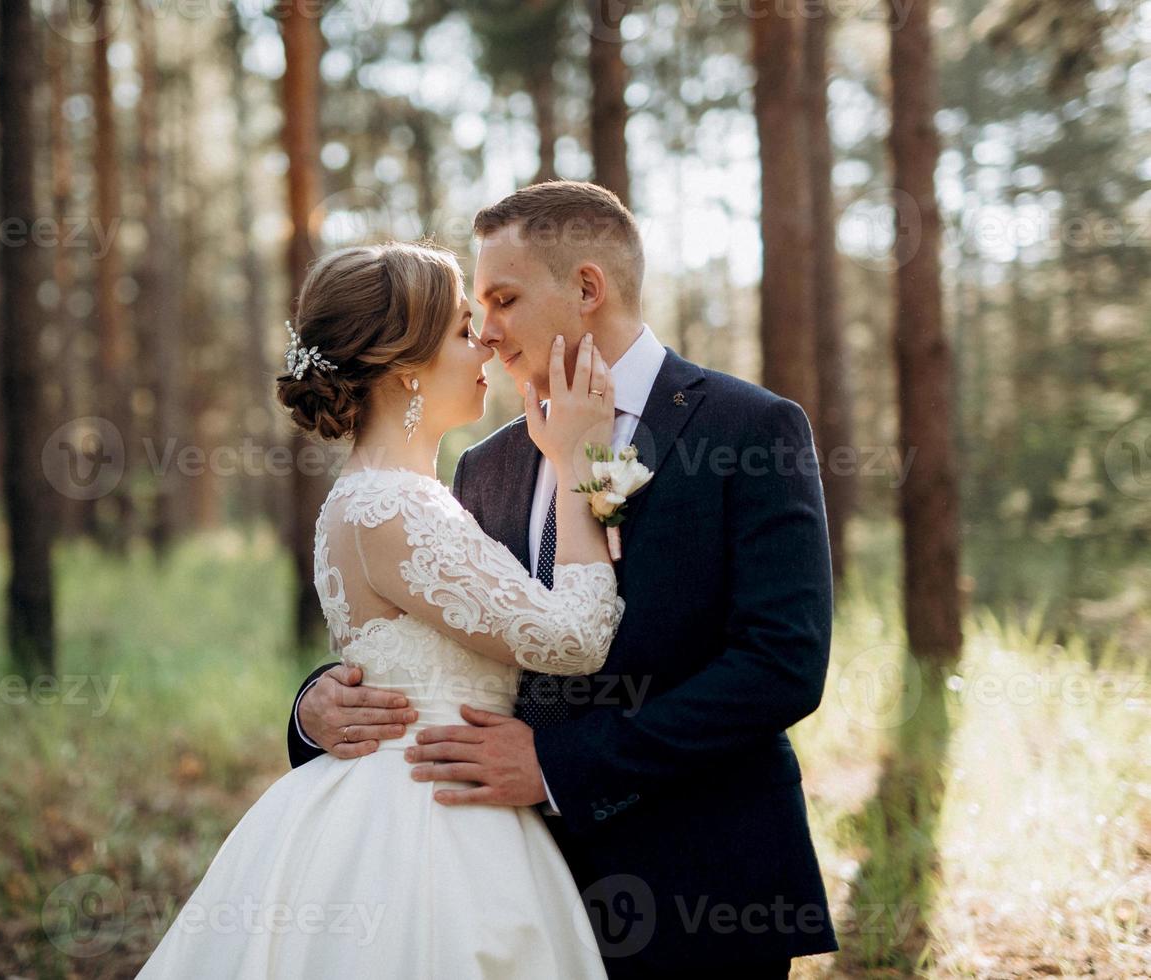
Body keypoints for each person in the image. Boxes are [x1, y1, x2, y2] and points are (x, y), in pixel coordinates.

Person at [290, 182, 839, 978]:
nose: (486, 332)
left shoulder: (748, 429)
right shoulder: (486, 462)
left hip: (698, 881)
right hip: (503, 880)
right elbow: (440, 634)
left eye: (503, 299)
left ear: (587, 287)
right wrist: (316, 704)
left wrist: (558, 769)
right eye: (474, 311)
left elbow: (781, 665)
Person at [138, 239, 623, 978]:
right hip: (426, 822)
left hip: (434, 795)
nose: (486, 344)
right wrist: (578, 463)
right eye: (464, 331)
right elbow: (577, 637)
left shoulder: (399, 497)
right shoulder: (390, 505)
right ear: (406, 373)